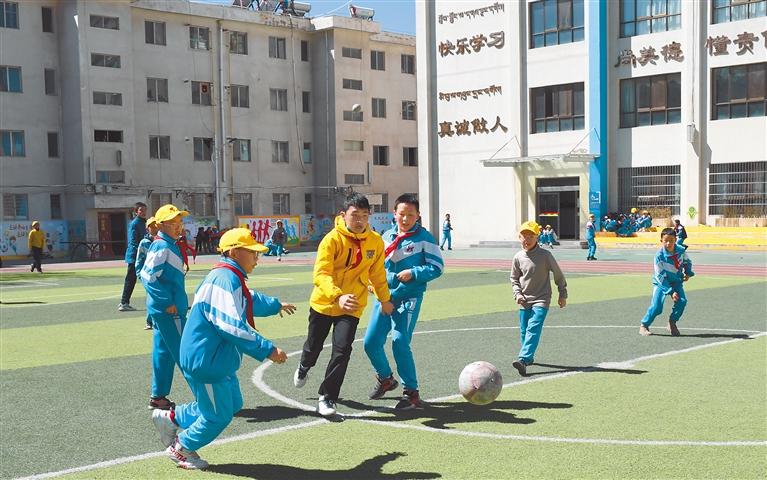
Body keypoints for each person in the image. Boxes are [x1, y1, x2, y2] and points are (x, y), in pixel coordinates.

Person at [151, 228, 295, 470]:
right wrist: (267, 350)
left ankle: (171, 417)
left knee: (232, 403)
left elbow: (249, 299)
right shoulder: (224, 279)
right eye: (252, 253)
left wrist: (275, 305)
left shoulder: (230, 277)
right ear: (234, 252)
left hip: (217, 360)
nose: (257, 259)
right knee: (218, 415)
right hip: (206, 361)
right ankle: (181, 448)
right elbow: (231, 325)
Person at [293, 193, 394, 417]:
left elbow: (378, 275)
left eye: (364, 216)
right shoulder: (331, 240)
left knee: (342, 350)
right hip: (324, 302)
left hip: (352, 305)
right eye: (355, 215)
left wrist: (385, 299)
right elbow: (321, 274)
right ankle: (304, 366)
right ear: (343, 215)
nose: (359, 220)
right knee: (313, 346)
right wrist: (337, 296)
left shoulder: (375, 241)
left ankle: (327, 397)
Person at [363, 194, 444, 410]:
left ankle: (411, 393)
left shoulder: (425, 238)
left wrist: (414, 272)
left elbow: (437, 267)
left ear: (418, 216)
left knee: (399, 341)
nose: (406, 219)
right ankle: (386, 378)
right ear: (394, 214)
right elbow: (376, 266)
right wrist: (371, 282)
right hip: (384, 297)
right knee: (370, 342)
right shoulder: (386, 236)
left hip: (409, 297)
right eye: (402, 214)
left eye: (411, 215)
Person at [140, 204, 190, 410]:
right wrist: (166, 301)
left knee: (163, 353)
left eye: (180, 222)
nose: (179, 226)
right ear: (161, 225)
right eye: (173, 223)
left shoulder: (168, 244)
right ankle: (206, 398)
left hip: (165, 310)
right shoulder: (162, 246)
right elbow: (147, 276)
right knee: (186, 351)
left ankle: (158, 397)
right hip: (170, 311)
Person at [510, 221, 567, 377]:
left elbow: (558, 275)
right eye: (524, 236)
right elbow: (514, 279)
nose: (527, 239)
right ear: (519, 237)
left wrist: (562, 293)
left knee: (533, 327)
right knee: (524, 330)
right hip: (524, 299)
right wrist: (518, 294)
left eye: (531, 236)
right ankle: (528, 357)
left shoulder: (545, 256)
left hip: (542, 298)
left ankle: (523, 359)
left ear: (537, 237)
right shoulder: (518, 257)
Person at [639, 228, 694, 337]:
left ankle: (672, 322)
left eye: (671, 240)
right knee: (657, 307)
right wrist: (671, 292)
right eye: (666, 241)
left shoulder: (681, 251)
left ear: (675, 240)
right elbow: (660, 276)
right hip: (661, 283)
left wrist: (688, 272)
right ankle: (644, 325)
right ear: (661, 241)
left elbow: (687, 261)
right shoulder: (659, 256)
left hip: (676, 281)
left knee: (682, 301)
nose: (668, 243)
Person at [119, 203, 148, 311]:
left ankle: (124, 302)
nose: (143, 212)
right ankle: (124, 303)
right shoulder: (134, 224)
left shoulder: (144, 222)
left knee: (147, 277)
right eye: (141, 210)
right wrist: (141, 252)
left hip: (142, 255)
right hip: (135, 256)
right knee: (131, 279)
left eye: (145, 210)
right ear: (136, 212)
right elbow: (133, 241)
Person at [135, 217, 160, 330]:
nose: (154, 228)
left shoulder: (161, 242)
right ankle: (150, 321)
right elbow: (139, 260)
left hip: (160, 275)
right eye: (151, 226)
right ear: (147, 229)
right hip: (148, 276)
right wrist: (140, 274)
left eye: (156, 225)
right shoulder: (144, 243)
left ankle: (159, 319)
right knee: (151, 297)